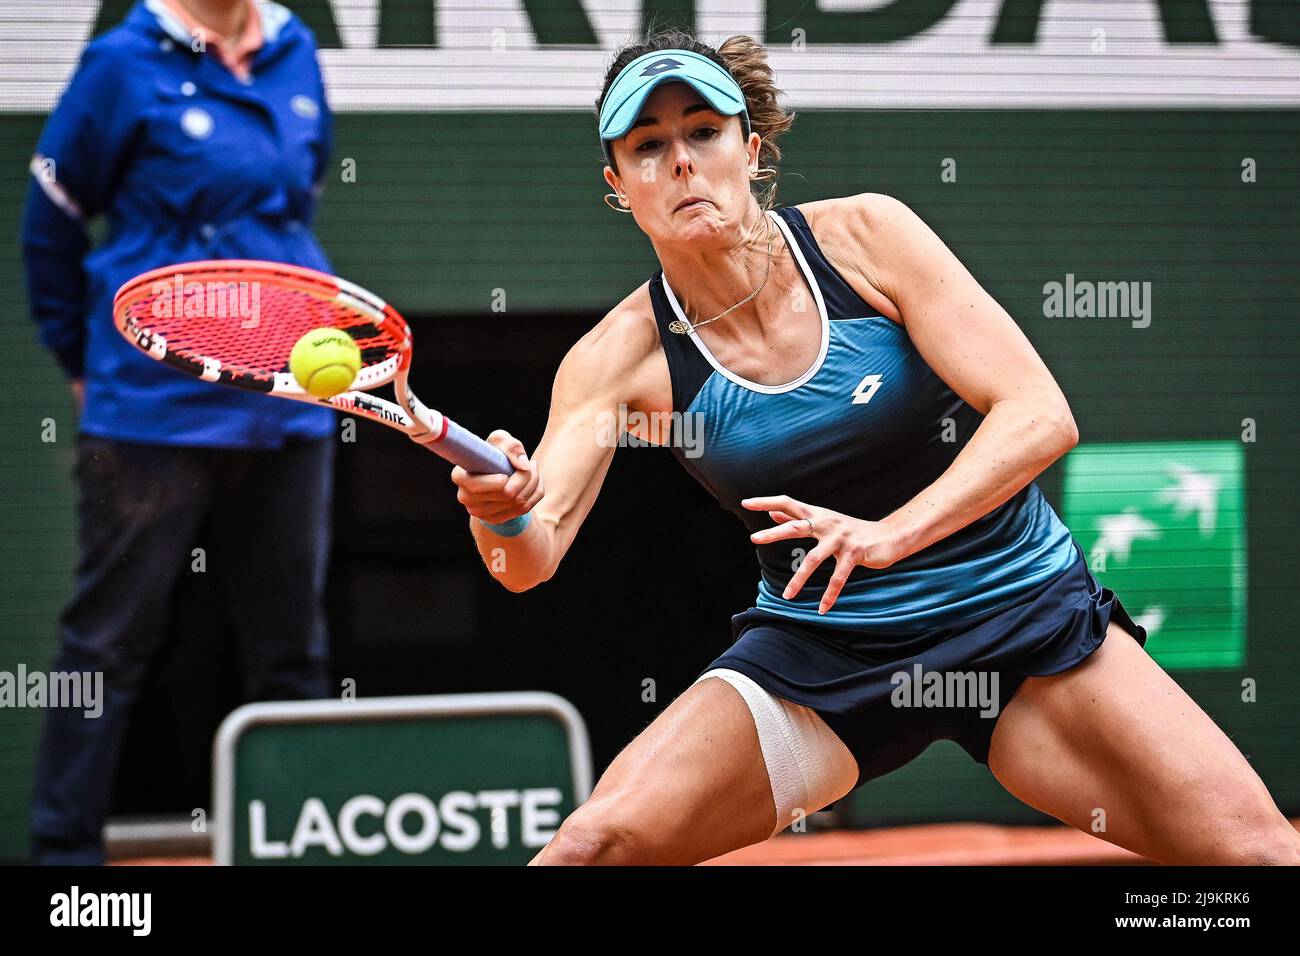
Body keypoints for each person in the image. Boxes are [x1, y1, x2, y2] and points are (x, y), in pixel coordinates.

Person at [428, 28, 1300, 867]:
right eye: (649, 146)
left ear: (753, 149)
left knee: (1255, 853)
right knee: (589, 848)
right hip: (823, 657)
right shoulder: (619, 359)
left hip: (1018, 620)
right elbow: (529, 563)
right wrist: (496, 514)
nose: (682, 161)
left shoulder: (866, 238)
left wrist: (893, 534)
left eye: (703, 131)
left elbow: (1038, 414)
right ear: (618, 183)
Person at [21, 0, 337, 865]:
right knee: (109, 644)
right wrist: (81, 359)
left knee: (292, 654)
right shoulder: (120, 65)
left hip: (285, 398)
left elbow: (291, 203)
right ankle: (64, 864)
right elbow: (48, 223)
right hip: (150, 408)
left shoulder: (295, 51)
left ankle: (300, 849)